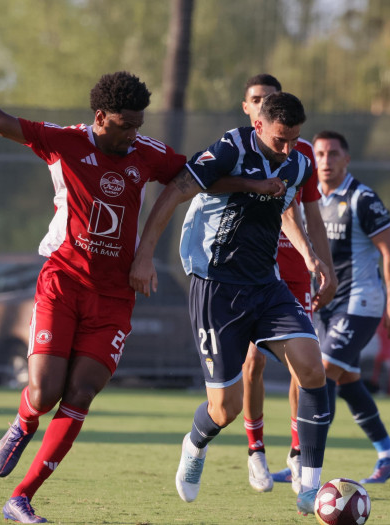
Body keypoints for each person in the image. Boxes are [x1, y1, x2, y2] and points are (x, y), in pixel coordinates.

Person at [0, 54, 280, 524]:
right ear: (100, 118)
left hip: (114, 296)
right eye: (124, 125)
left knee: (83, 391)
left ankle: (21, 498)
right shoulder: (64, 143)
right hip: (64, 283)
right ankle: (25, 419)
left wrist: (252, 184)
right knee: (45, 391)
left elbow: (193, 178)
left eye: (138, 125)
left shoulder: (146, 152)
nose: (133, 134)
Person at [130, 91, 338, 517]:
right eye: (280, 139)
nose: (287, 150)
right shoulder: (232, 147)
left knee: (313, 368)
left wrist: (308, 254)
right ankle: (194, 443)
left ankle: (309, 488)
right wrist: (145, 254)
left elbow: (283, 209)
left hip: (266, 284)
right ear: (258, 125)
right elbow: (176, 190)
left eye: (294, 139)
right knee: (225, 409)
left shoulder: (297, 161)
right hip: (216, 286)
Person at [277, 130, 390, 485]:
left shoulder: (362, 199)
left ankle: (303, 462)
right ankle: (389, 454)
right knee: (347, 379)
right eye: (319, 153)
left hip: (360, 304)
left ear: (346, 160)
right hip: (324, 307)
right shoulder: (309, 199)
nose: (325, 161)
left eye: (333, 154)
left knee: (318, 375)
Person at [234, 74, 328, 494]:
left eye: (269, 99)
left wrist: (322, 262)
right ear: (248, 109)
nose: (262, 104)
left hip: (292, 267)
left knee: (302, 361)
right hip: (254, 268)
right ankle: (256, 450)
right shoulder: (235, 150)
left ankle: (296, 450)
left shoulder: (300, 154)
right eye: (256, 99)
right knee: (252, 363)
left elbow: (308, 213)